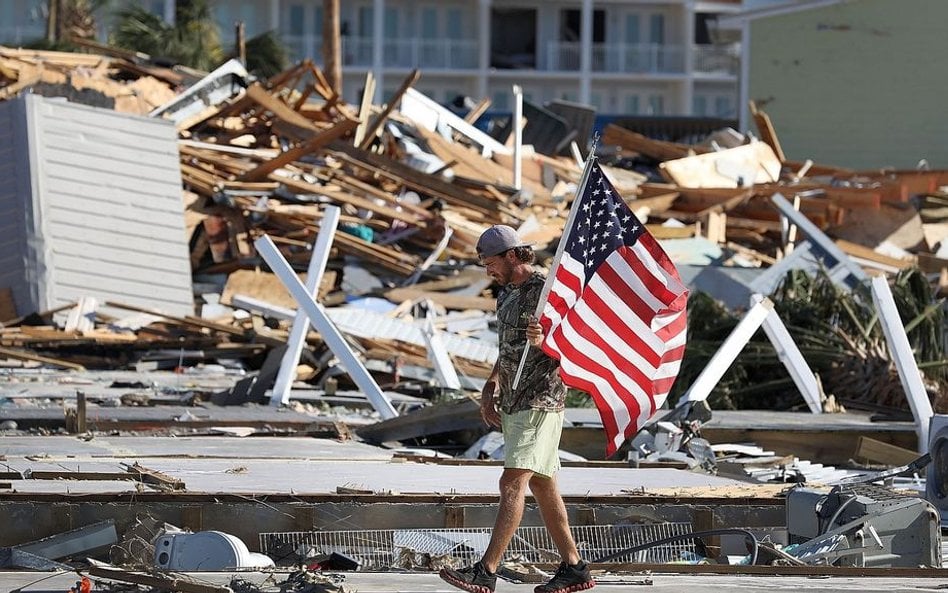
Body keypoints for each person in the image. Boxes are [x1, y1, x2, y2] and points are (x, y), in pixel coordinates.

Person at [439, 225, 596, 593]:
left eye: (491, 263)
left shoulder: (548, 290)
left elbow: (575, 342)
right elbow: (507, 347)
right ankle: (574, 568)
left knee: (512, 482)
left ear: (512, 256)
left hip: (539, 401)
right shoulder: (507, 293)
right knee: (543, 485)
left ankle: (486, 571)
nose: (487, 271)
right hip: (513, 400)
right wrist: (491, 383)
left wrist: (547, 341)